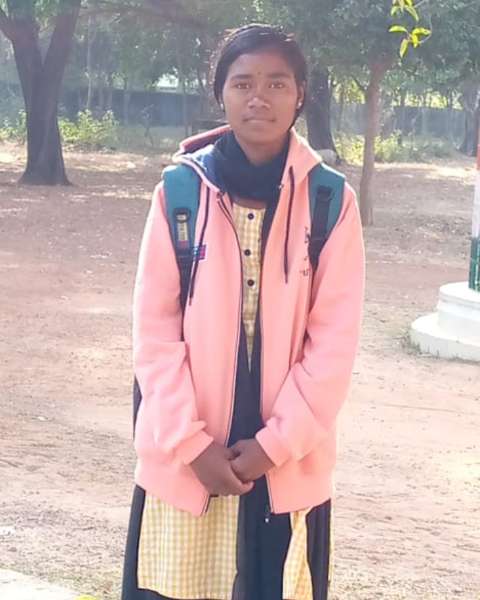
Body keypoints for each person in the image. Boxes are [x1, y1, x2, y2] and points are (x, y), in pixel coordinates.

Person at [121, 24, 364, 600]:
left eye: (277, 83)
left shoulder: (330, 201)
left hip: (285, 462)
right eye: (243, 82)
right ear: (220, 93)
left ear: (301, 94)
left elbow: (333, 347)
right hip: (189, 458)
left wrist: (272, 447)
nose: (260, 97)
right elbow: (154, 335)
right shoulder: (180, 193)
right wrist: (191, 445)